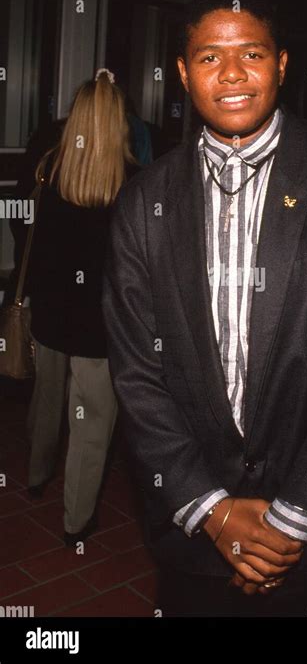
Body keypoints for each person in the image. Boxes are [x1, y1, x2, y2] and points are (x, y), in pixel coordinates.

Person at [103, 0, 307, 617]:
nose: (233, 73)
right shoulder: (142, 200)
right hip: (194, 533)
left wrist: (286, 525)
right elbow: (136, 373)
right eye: (210, 57)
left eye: (253, 54)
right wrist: (214, 512)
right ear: (184, 73)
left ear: (283, 63)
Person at [9, 68, 139, 546]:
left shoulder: (47, 168)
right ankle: (76, 520)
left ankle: (37, 475)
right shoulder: (135, 185)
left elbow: (23, 231)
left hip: (51, 312)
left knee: (46, 401)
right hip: (100, 327)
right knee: (92, 420)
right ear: (118, 121)